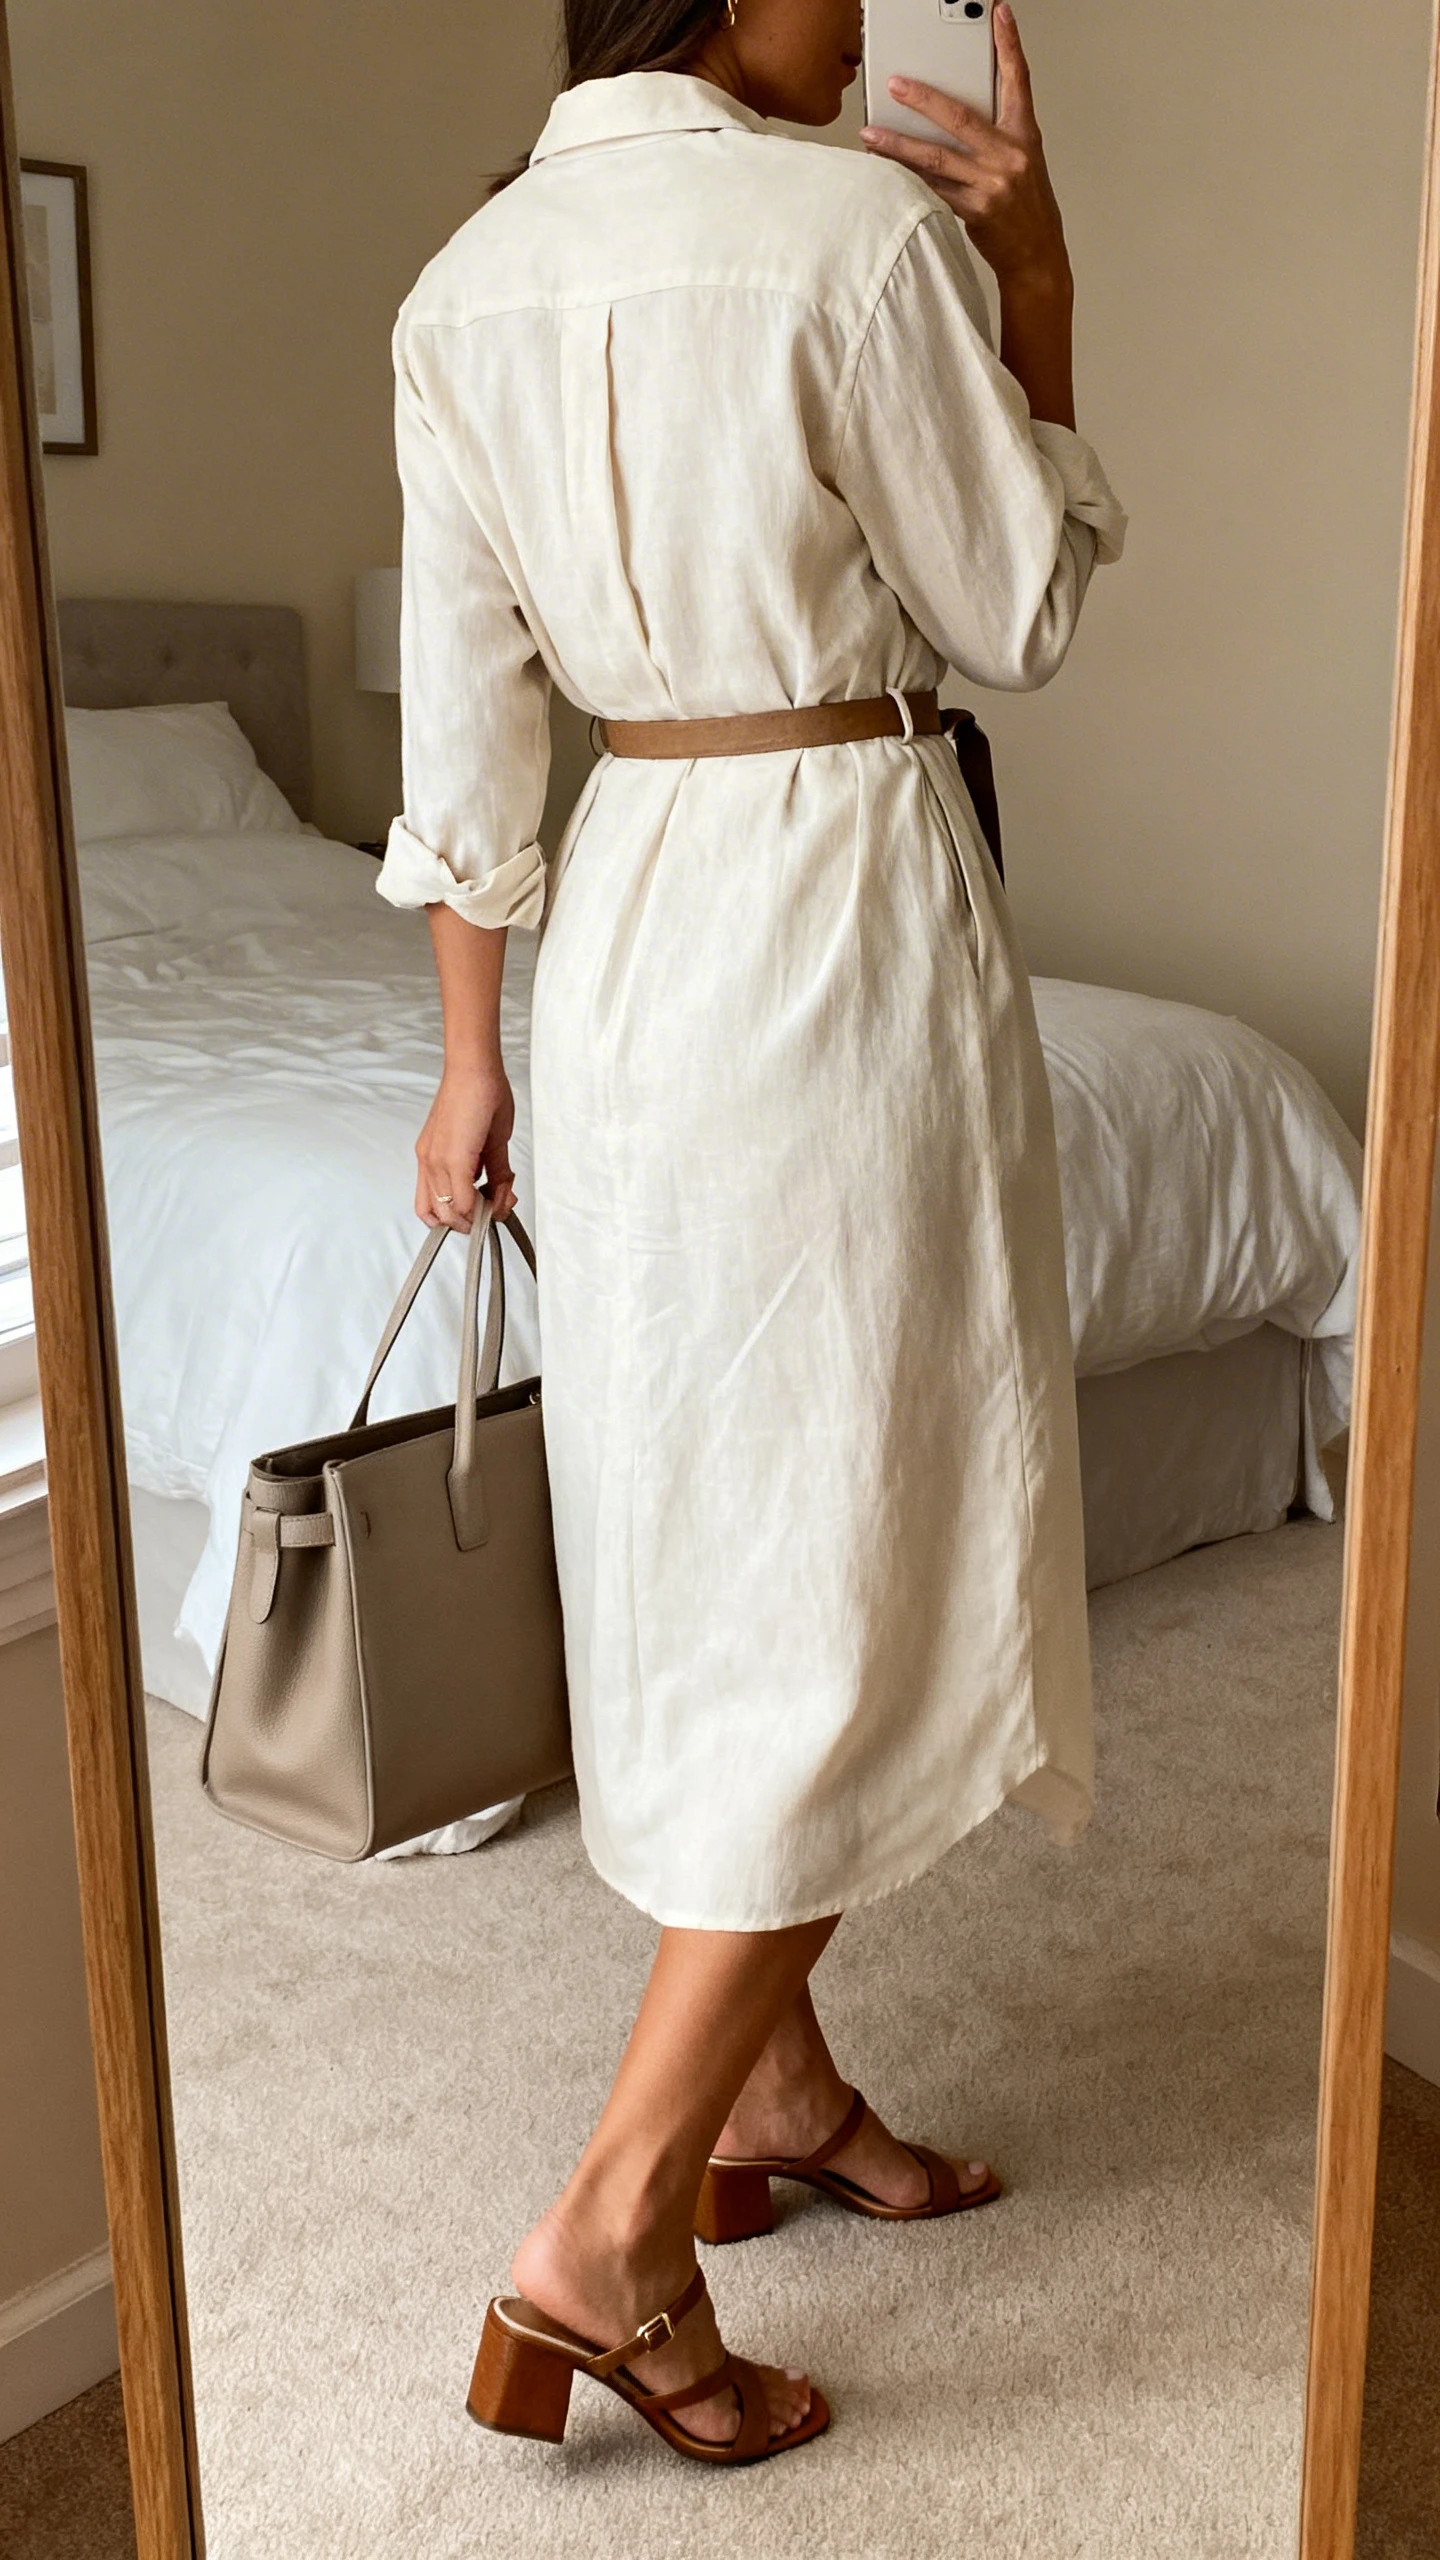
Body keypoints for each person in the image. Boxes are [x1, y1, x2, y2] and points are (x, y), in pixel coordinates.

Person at [376, 0, 1125, 2467]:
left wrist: (472, 1064)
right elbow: (1020, 602)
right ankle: (608, 2223)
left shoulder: (465, 281)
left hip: (623, 942)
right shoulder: (853, 238)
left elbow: (468, 755)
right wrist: (1041, 284)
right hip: (831, 921)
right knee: (861, 1564)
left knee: (710, 1537)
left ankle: (775, 2091)